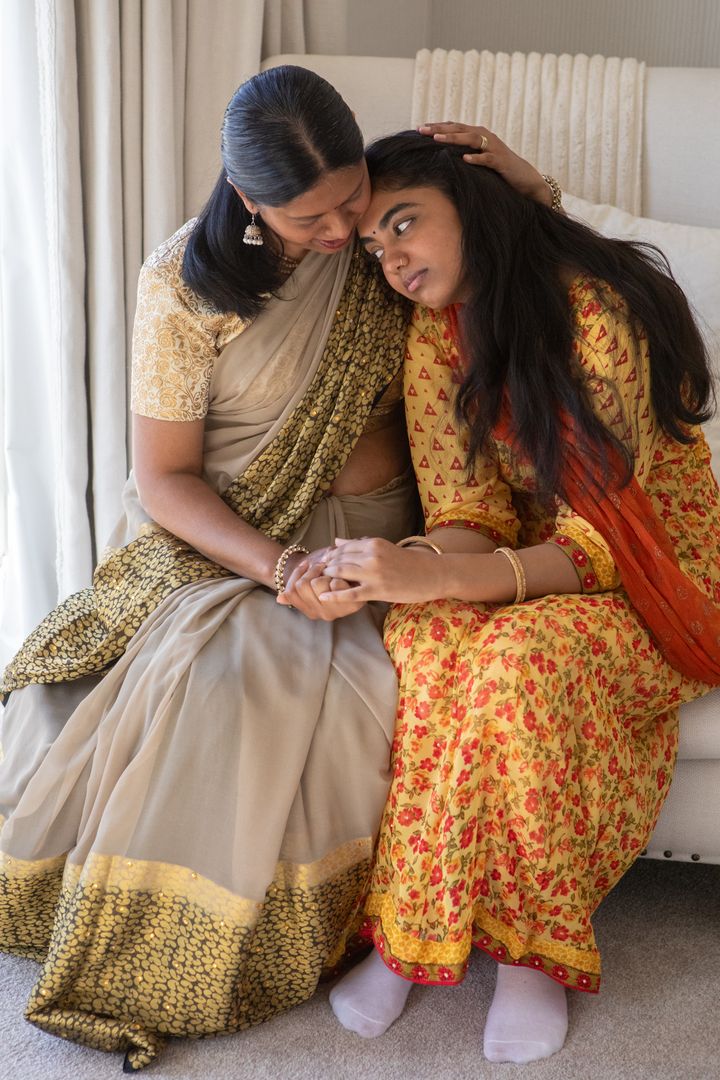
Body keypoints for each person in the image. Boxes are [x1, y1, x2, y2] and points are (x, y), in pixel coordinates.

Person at [0, 68, 554, 1070]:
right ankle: (175, 941)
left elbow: (531, 271)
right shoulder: (183, 284)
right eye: (310, 218)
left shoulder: (392, 229)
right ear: (249, 199)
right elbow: (165, 481)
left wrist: (526, 184)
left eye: (351, 197)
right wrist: (280, 565)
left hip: (390, 542)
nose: (343, 230)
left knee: (355, 689)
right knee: (211, 683)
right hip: (237, 542)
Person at [320, 130, 720, 1064]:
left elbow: (604, 542)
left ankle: (530, 956)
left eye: (404, 223)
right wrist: (401, 565)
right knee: (427, 637)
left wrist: (443, 576)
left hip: (656, 581)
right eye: (375, 247)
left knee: (518, 661)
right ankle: (411, 932)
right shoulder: (435, 336)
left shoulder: (593, 316)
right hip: (530, 566)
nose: (392, 260)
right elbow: (471, 513)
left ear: (473, 206)